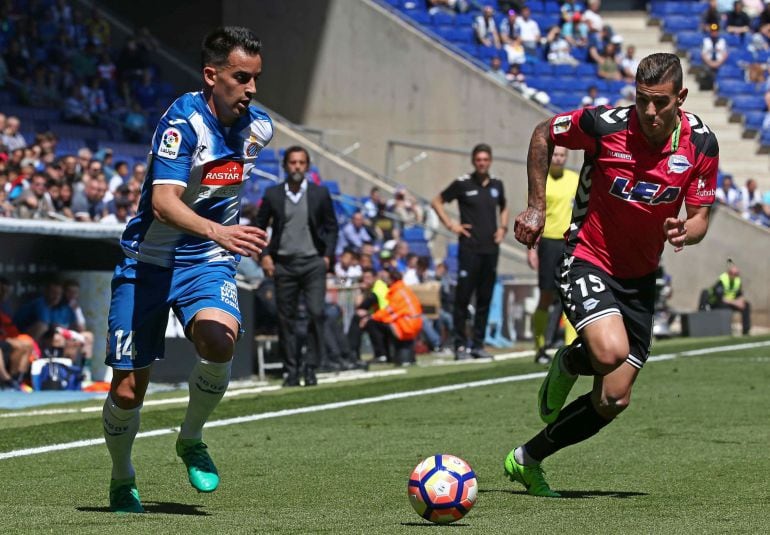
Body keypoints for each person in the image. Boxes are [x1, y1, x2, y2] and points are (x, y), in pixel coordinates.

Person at [506, 53, 718, 497]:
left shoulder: (700, 145)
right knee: (609, 353)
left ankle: (527, 459)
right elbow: (544, 131)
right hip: (588, 256)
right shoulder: (605, 126)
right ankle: (569, 360)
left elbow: (700, 217)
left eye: (660, 102)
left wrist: (688, 230)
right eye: (642, 101)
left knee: (614, 399)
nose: (650, 112)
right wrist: (537, 206)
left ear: (680, 97)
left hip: (640, 278)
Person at [101, 27, 272, 514]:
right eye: (242, 78)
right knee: (129, 390)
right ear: (212, 76)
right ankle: (122, 475)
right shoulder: (182, 123)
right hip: (148, 261)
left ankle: (190, 438)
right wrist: (222, 232)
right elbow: (161, 203)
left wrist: (221, 236)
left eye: (257, 79)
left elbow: (223, 189)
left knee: (220, 341)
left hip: (205, 261)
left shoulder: (259, 129)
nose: (252, 89)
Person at [255, 146, 338, 388]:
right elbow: (260, 228)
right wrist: (265, 256)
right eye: (293, 162)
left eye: (301, 162)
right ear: (285, 166)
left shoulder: (320, 194)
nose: (297, 167)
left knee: (316, 313)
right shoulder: (273, 195)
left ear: (307, 166)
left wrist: (327, 256)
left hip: (313, 263)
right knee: (286, 319)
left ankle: (310, 367)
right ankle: (290, 370)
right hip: (284, 265)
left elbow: (332, 227)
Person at [431, 144, 509, 360]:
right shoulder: (463, 183)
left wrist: (502, 228)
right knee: (463, 298)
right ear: (474, 161)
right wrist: (451, 225)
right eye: (478, 160)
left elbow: (504, 206)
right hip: (469, 249)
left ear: (490, 161)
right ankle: (460, 345)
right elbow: (437, 201)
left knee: (485, 298)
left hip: (490, 249)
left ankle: (477, 344)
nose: (482, 163)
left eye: (485, 159)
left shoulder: (497, 185)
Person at [527, 146, 578, 366]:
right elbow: (532, 214)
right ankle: (540, 347)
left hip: (569, 243)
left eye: (561, 155)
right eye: (555, 154)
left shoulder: (575, 179)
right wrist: (530, 248)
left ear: (566, 157)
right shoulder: (541, 181)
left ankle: (571, 348)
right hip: (548, 243)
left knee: (571, 296)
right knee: (546, 296)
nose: (558, 158)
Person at [701, 261, 751, 335]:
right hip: (718, 303)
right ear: (728, 273)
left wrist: (741, 302)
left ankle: (746, 331)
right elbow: (720, 298)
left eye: (736, 274)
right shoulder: (722, 280)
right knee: (725, 307)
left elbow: (740, 294)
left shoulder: (737, 281)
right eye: (732, 273)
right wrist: (735, 303)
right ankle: (726, 331)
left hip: (731, 303)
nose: (734, 275)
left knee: (746, 305)